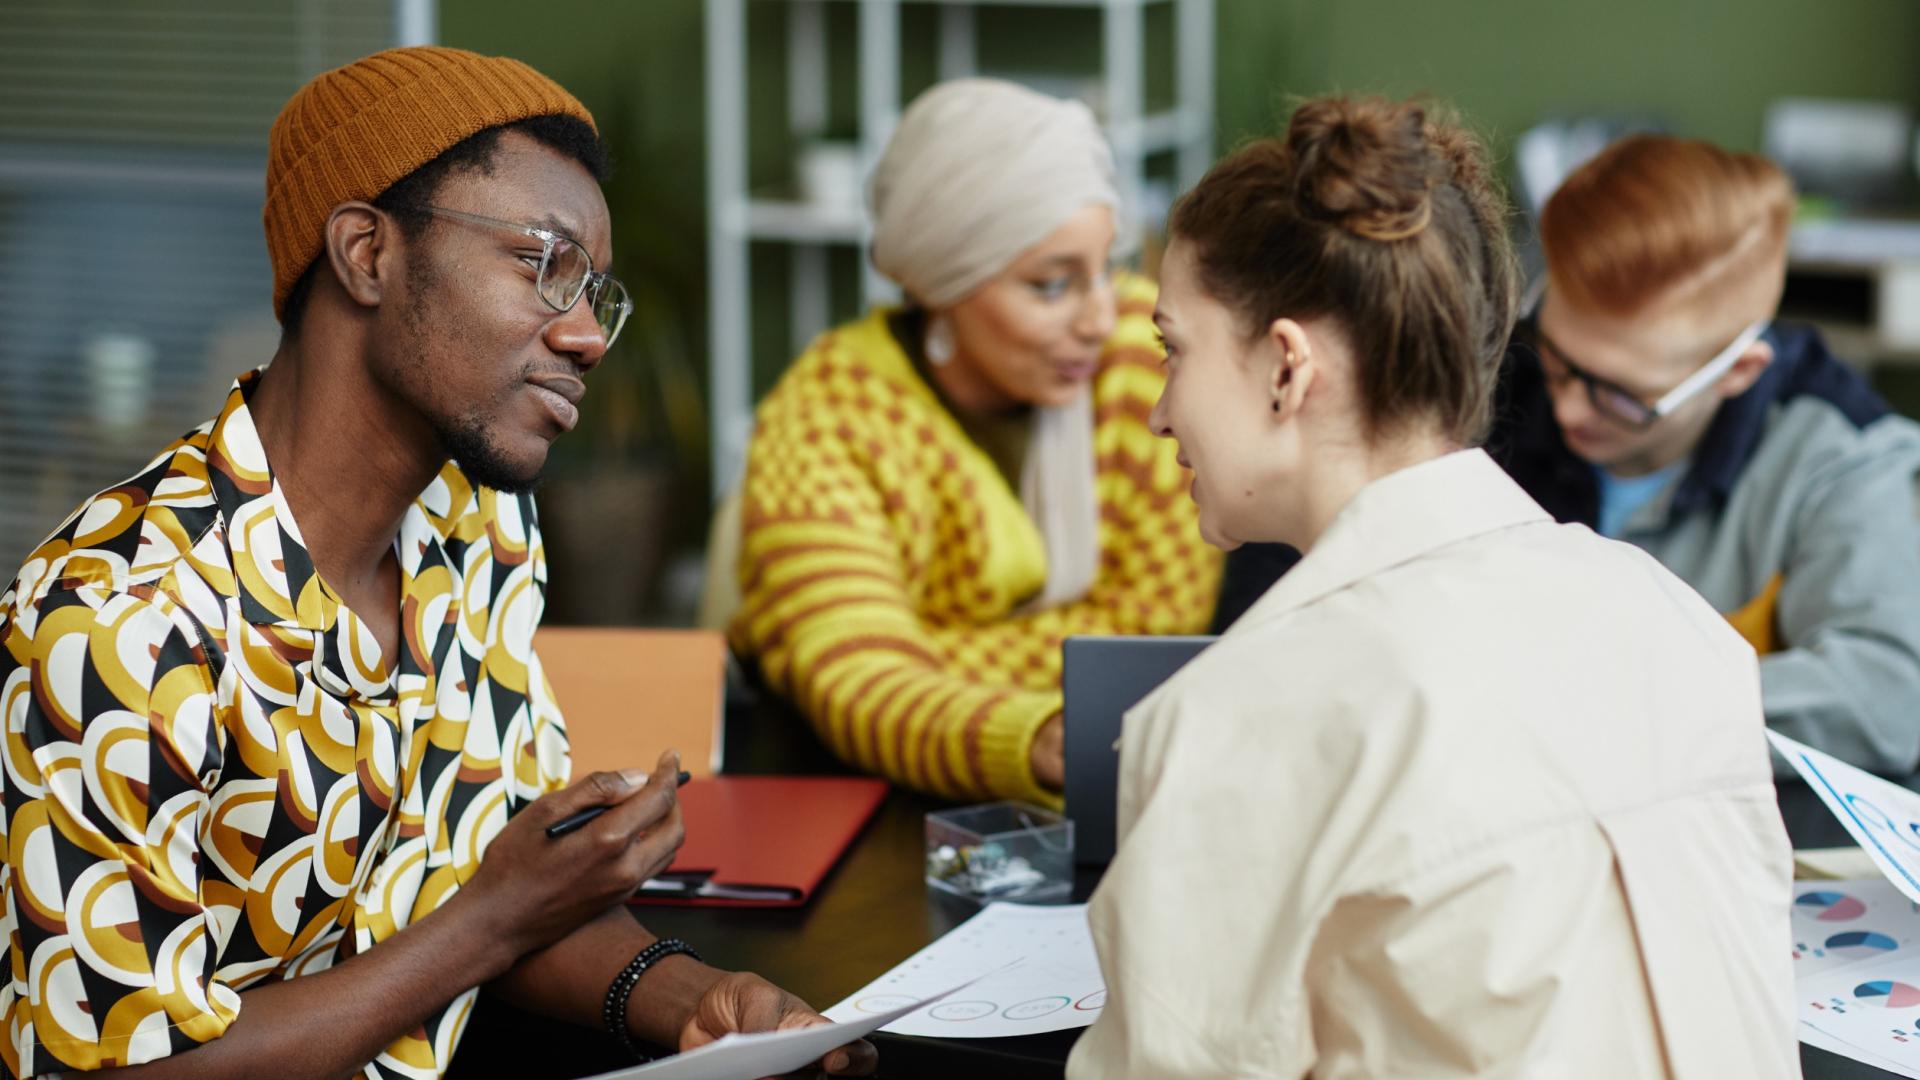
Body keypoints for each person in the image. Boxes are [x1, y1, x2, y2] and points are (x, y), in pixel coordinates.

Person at [0, 47, 872, 1079]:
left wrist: (694, 1000)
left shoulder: (476, 529)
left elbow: (502, 887)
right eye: (544, 263)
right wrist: (490, 920)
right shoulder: (116, 623)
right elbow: (118, 1073)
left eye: (596, 292)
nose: (589, 335)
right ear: (368, 254)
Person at [1069, 97, 1795, 1077]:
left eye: (1172, 349)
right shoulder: (1676, 622)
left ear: (1287, 368)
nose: (1159, 413)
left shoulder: (1238, 719)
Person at [730, 79, 1220, 804]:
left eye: (1106, 268)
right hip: (877, 804)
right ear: (943, 282)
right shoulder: (828, 417)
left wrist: (914, 654)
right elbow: (857, 685)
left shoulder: (1143, 357)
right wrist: (1032, 732)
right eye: (1052, 286)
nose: (1098, 316)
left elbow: (1155, 632)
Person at [1490, 134, 1920, 777]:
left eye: (1621, 393)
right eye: (1559, 360)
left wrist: (1633, 706)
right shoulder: (1493, 398)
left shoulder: (1844, 457)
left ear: (1738, 371)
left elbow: (1885, 701)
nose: (1571, 408)